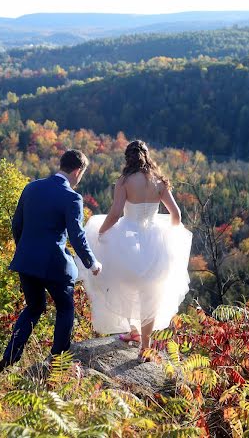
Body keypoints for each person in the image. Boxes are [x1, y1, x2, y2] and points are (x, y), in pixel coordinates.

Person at [78, 140, 192, 362]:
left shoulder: (124, 181)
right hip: (155, 241)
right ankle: (145, 347)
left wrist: (101, 233)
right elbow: (176, 215)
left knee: (125, 285)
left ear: (127, 158)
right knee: (150, 293)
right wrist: (167, 235)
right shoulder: (159, 181)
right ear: (147, 156)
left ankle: (133, 331)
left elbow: (115, 214)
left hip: (128, 239)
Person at [0, 149, 102, 371]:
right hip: (55, 265)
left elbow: (17, 224)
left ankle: (8, 359)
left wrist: (26, 249)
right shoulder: (72, 197)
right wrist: (91, 262)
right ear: (77, 171)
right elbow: (77, 235)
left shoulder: (31, 187)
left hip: (26, 261)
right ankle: (58, 362)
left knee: (34, 308)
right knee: (65, 308)